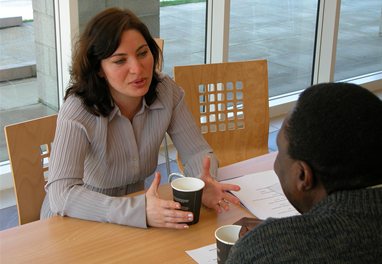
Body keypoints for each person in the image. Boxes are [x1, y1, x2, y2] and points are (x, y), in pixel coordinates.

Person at [40, 7, 240, 229]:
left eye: (143, 53)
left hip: (132, 216)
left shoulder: (167, 91)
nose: (137, 68)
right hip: (74, 220)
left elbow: (197, 152)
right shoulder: (79, 109)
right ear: (99, 69)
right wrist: (138, 211)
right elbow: (61, 194)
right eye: (119, 61)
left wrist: (203, 182)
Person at [227, 82, 382, 263]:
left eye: (279, 151)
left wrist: (272, 241)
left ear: (303, 176)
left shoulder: (264, 253)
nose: (276, 163)